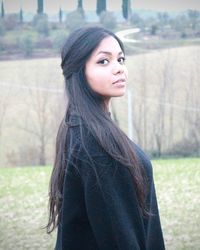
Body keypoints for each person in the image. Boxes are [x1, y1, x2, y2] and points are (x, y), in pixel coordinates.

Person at [46, 26, 165, 250]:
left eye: (121, 59)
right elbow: (120, 239)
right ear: (79, 71)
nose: (119, 69)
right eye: (103, 61)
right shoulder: (98, 146)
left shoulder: (79, 126)